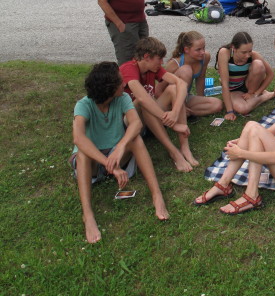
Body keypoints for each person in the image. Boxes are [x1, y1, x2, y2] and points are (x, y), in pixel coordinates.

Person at [193, 69, 275, 214]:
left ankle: (251, 196)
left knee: (255, 129)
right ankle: (223, 184)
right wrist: (240, 140)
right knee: (252, 126)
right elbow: (268, 132)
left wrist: (241, 152)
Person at [71, 62, 169, 244]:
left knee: (136, 140)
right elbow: (79, 139)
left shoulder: (122, 98)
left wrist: (121, 147)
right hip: (92, 162)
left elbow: (136, 123)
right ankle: (88, 215)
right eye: (119, 81)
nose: (123, 84)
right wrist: (109, 164)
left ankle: (157, 195)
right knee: (82, 154)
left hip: (116, 156)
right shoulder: (83, 105)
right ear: (108, 88)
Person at [119, 36, 196, 172]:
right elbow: (142, 98)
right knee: (144, 101)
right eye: (159, 59)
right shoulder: (128, 68)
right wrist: (172, 123)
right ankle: (174, 152)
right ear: (147, 57)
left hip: (151, 118)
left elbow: (181, 84)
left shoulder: (153, 68)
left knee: (173, 89)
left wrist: (175, 112)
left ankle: (185, 147)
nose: (161, 63)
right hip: (130, 122)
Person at [156, 31, 223, 117]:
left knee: (217, 104)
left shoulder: (205, 57)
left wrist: (201, 99)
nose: (202, 52)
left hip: (185, 97)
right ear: (186, 50)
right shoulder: (175, 63)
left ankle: (187, 113)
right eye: (198, 49)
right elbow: (158, 91)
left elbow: (201, 79)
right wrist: (171, 105)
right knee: (186, 70)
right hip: (169, 99)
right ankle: (179, 111)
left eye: (203, 48)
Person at [215, 31, 275, 121]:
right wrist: (230, 111)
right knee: (243, 109)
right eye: (243, 52)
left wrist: (256, 93)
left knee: (258, 64)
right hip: (233, 89)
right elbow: (224, 84)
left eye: (249, 51)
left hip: (248, 86)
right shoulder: (224, 53)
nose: (247, 55)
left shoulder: (253, 55)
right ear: (233, 48)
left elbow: (271, 74)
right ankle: (267, 95)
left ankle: (255, 95)